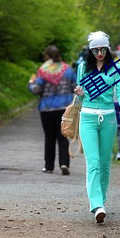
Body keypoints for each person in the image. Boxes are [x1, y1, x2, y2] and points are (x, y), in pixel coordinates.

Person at [74, 31, 120, 223]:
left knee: (105, 164)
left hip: (109, 119)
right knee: (94, 163)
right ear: (90, 50)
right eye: (95, 50)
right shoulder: (83, 67)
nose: (99, 53)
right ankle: (96, 205)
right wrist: (79, 92)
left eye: (102, 49)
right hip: (88, 117)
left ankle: (101, 201)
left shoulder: (115, 68)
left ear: (107, 48)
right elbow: (80, 96)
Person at [28, 45, 77, 175]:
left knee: (49, 138)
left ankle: (49, 166)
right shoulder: (68, 70)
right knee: (63, 137)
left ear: (47, 57)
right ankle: (64, 163)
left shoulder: (43, 71)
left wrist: (31, 83)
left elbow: (36, 90)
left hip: (47, 109)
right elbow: (75, 87)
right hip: (64, 109)